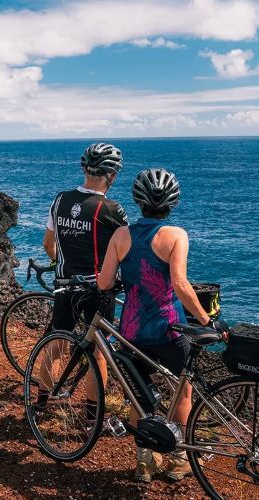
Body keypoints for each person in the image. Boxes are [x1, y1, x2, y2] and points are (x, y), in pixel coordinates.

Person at [96, 168, 211, 483]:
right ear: (171, 203)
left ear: (138, 201)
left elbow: (105, 282)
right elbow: (181, 284)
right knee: (183, 392)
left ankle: (145, 462)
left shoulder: (121, 235)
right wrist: (206, 320)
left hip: (132, 330)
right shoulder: (176, 236)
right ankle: (181, 459)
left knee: (138, 394)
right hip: (170, 329)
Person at [36, 143, 128, 424]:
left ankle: (40, 405)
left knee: (57, 344)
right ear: (111, 176)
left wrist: (61, 266)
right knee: (99, 353)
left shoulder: (60, 200)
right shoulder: (111, 209)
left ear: (84, 170)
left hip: (65, 285)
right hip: (98, 291)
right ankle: (91, 417)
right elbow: (127, 251)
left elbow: (48, 244)